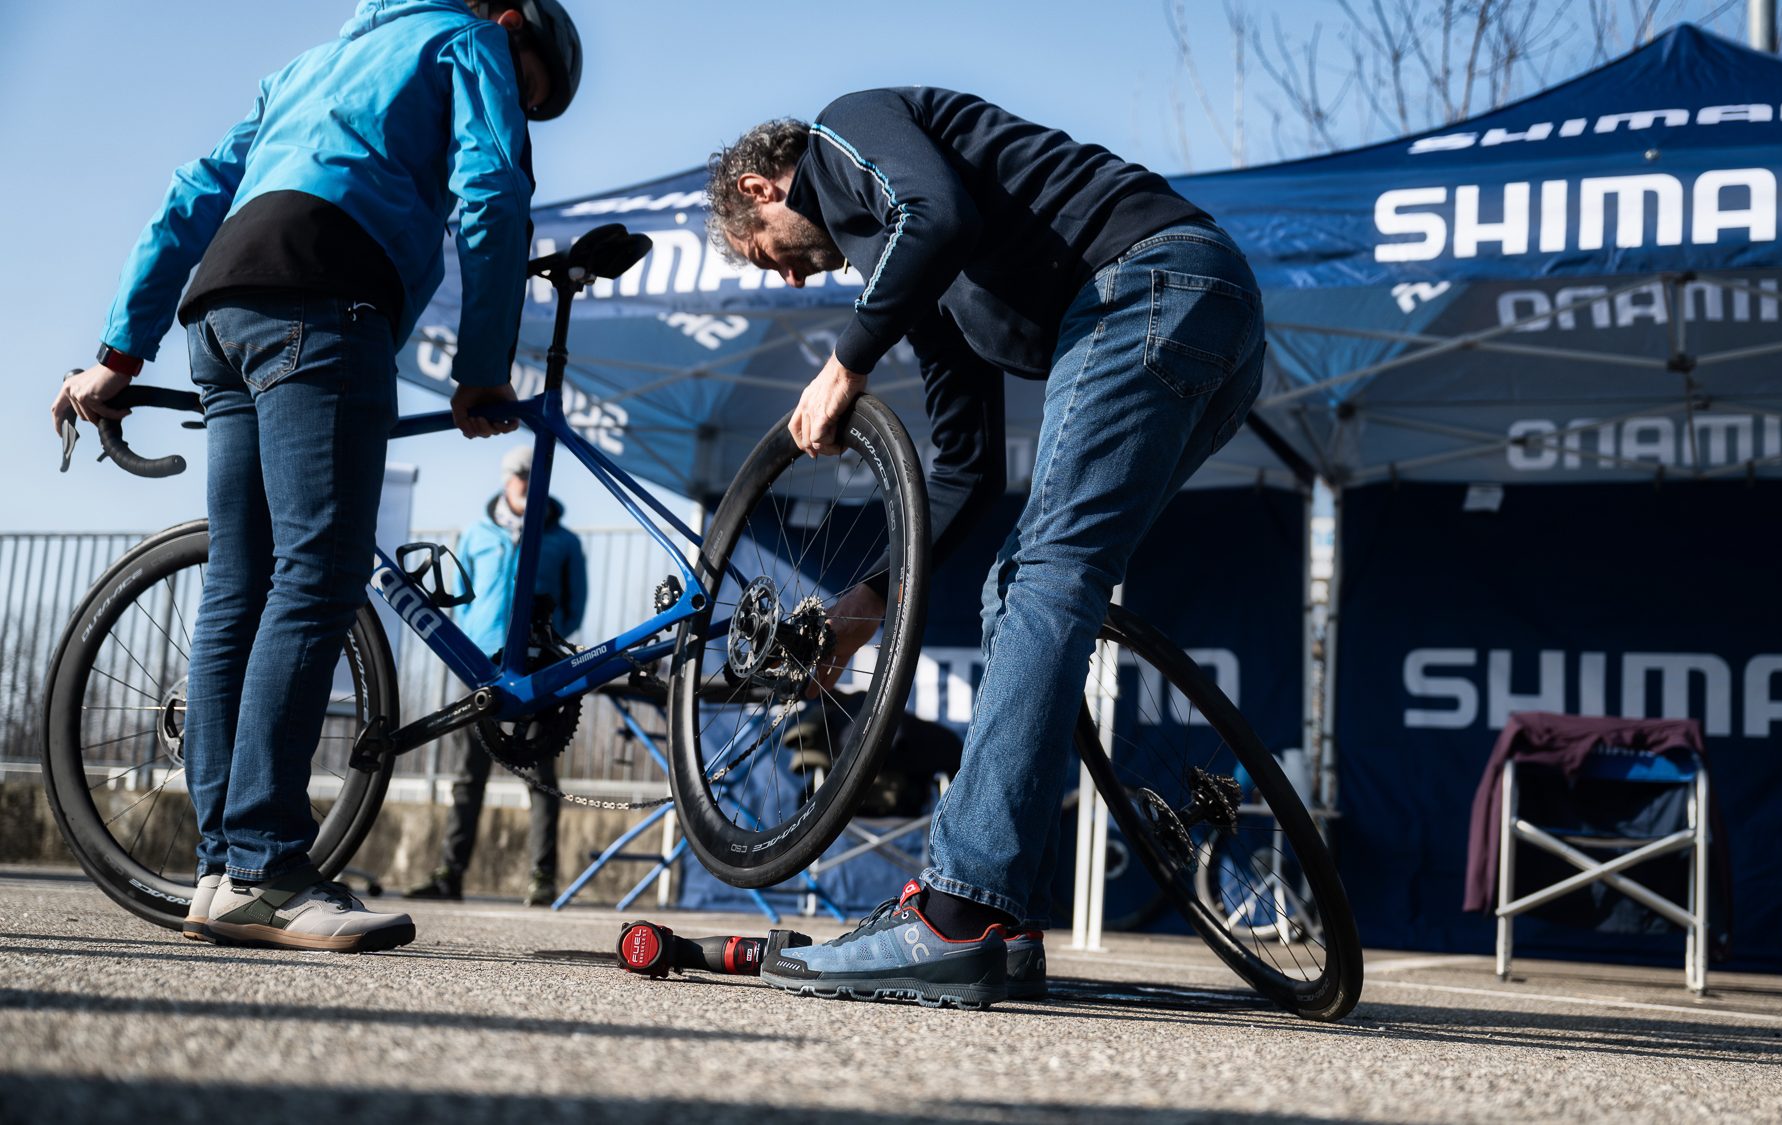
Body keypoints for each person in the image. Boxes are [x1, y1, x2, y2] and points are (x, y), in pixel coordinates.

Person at [705, 90, 1265, 1006]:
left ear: (760, 189)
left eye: (766, 254)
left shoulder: (847, 131)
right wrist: (867, 602)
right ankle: (1001, 922)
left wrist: (845, 363)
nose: (793, 282)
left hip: (1147, 282)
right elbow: (964, 470)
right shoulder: (913, 270)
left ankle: (958, 912)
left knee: (1043, 577)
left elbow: (938, 212)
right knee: (1026, 584)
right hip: (1211, 317)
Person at [49, 0, 582, 952]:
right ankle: (266, 864)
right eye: (529, 89)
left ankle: (222, 870)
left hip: (221, 307)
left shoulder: (306, 68)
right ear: (512, 24)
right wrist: (482, 370)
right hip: (326, 296)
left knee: (239, 586)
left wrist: (118, 353)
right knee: (319, 573)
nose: (520, 101)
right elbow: (494, 189)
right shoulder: (469, 41)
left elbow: (193, 191)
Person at [408, 444, 588, 906]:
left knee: (541, 775)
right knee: (468, 775)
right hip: (478, 666)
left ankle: (542, 878)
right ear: (506, 479)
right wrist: (471, 641)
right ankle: (449, 874)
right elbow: (461, 597)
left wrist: (548, 642)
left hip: (538, 668)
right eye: (517, 474)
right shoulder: (475, 534)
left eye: (531, 474)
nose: (524, 482)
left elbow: (576, 605)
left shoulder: (565, 542)